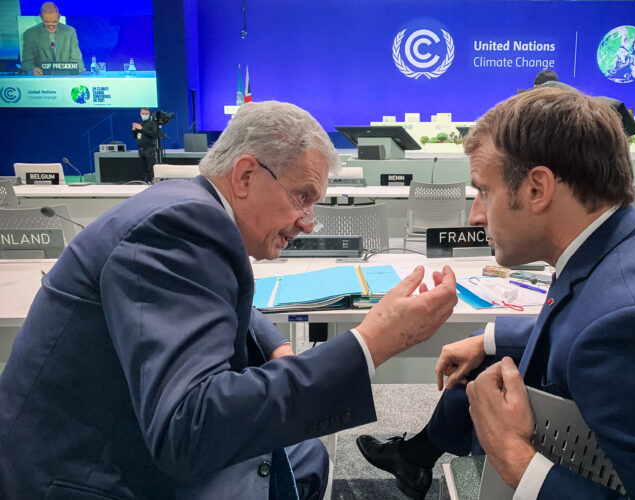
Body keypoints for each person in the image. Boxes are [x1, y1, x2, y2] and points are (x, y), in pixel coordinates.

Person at [0, 100, 458, 499]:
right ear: (244, 175)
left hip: (103, 433)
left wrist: (274, 342)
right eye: (303, 197)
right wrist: (372, 342)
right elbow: (190, 428)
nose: (308, 222)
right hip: (86, 476)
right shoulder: (183, 229)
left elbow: (198, 299)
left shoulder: (183, 206)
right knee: (300, 459)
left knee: (305, 457)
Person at [356, 86, 635, 499]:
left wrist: (514, 458)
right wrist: (490, 338)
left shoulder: (634, 327)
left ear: (537, 189)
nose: (475, 215)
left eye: (483, 191)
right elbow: (587, 313)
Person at [20, 2, 83, 75]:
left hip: (65, 77)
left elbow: (77, 61)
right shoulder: (30, 34)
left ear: (59, 17)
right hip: (41, 78)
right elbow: (26, 62)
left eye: (54, 21)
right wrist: (33, 69)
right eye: (47, 22)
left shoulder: (70, 32)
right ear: (41, 17)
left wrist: (75, 70)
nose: (51, 25)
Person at [132, 107, 160, 183]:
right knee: (143, 167)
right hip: (141, 149)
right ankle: (145, 182)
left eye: (146, 114)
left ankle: (152, 182)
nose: (144, 115)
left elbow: (153, 134)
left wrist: (141, 129)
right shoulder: (140, 123)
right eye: (143, 114)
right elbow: (135, 136)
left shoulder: (152, 124)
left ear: (149, 114)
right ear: (140, 114)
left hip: (149, 148)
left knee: (150, 167)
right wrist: (134, 130)